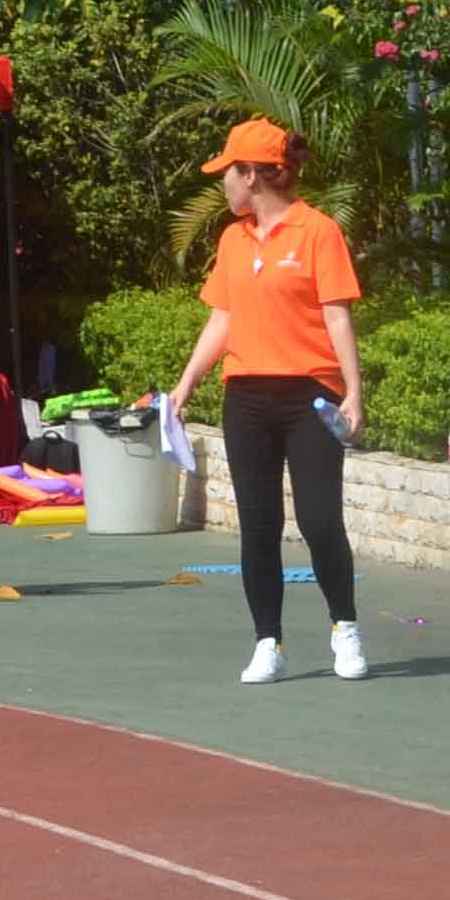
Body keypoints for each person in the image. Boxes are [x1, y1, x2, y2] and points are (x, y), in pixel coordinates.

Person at [162, 117, 370, 682]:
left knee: (320, 520)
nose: (222, 183)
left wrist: (354, 390)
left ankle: (344, 627)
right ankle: (268, 643)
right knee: (258, 525)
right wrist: (186, 384)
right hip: (246, 396)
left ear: (252, 175)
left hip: (310, 395)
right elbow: (222, 319)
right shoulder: (232, 239)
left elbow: (336, 314)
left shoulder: (318, 231)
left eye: (227, 172)